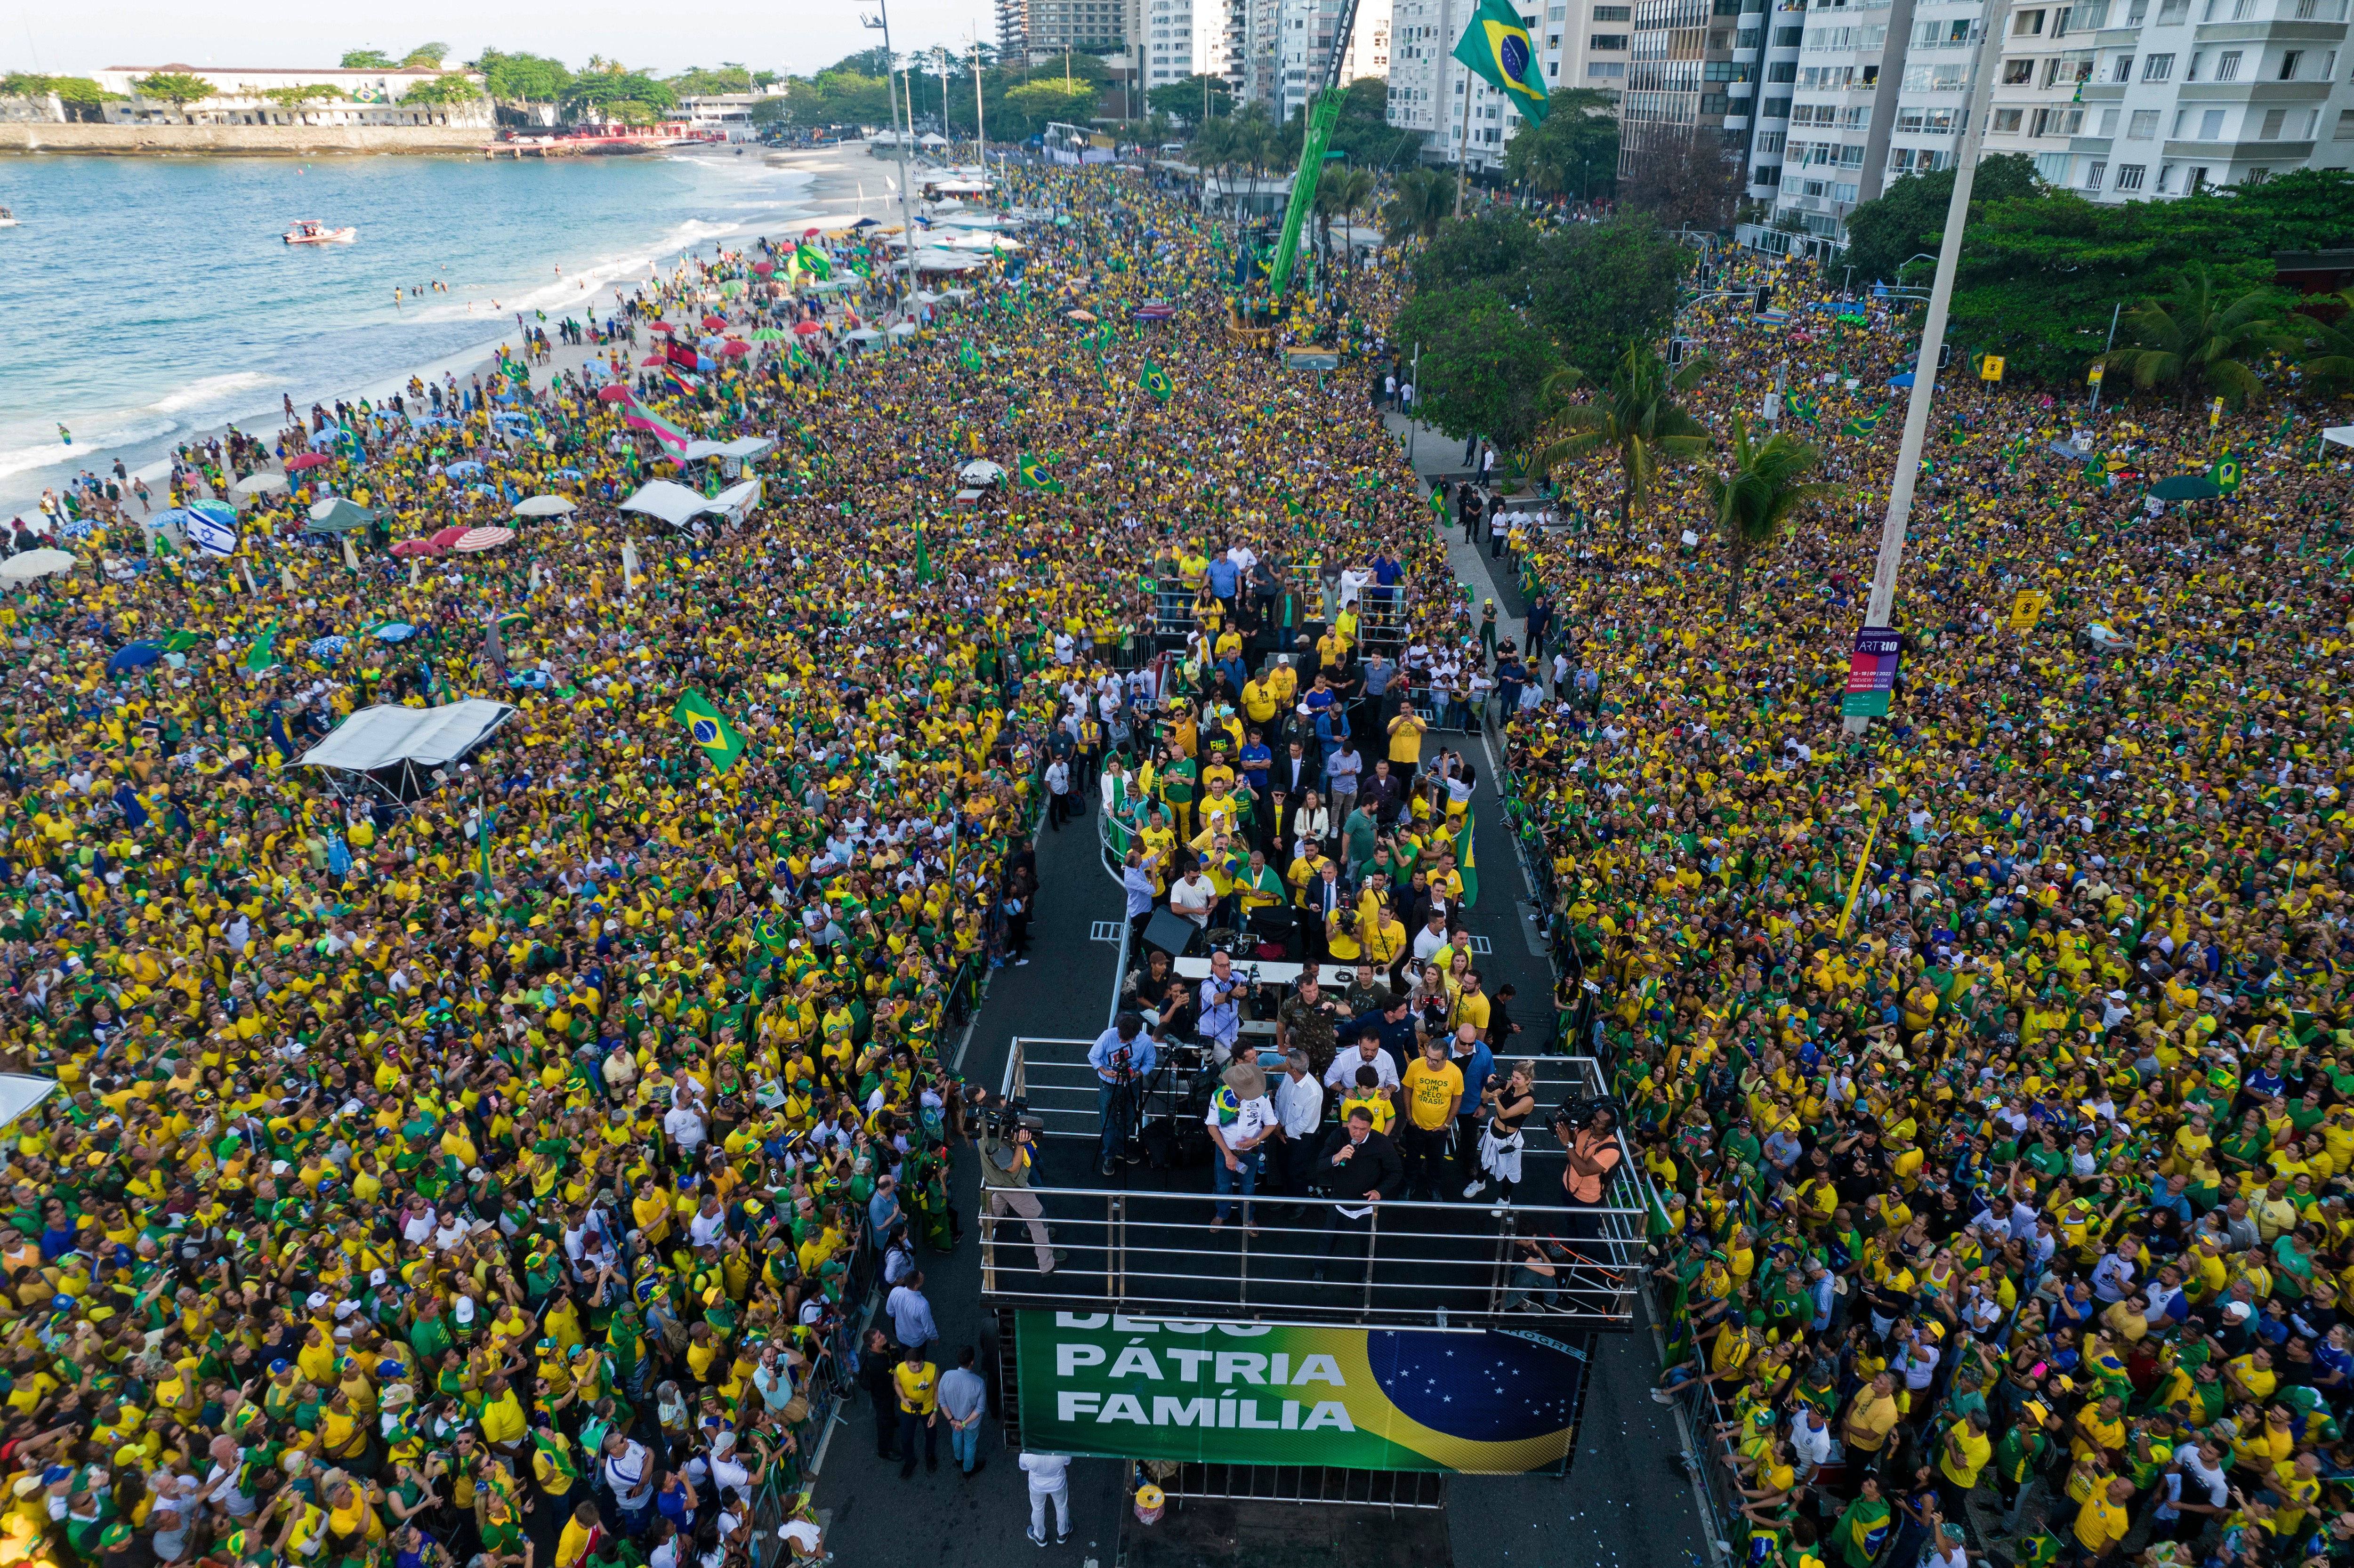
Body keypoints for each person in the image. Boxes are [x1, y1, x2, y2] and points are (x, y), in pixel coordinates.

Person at [1313, 1106, 1403, 1287]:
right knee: (1328, 1238)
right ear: (1348, 1124)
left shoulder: (1381, 1143)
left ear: (1370, 1127)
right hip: (1340, 1200)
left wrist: (1379, 1191)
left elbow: (1396, 1171)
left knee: (1368, 1243)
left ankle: (1365, 1276)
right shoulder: (1339, 1136)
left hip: (1367, 1205)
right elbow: (1319, 1166)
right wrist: (1336, 1157)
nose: (1358, 1133)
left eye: (1363, 1129)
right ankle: (1319, 1271)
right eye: (1354, 1128)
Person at [1206, 1061, 1279, 1234]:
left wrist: (1256, 1141)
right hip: (1225, 1152)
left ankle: (1248, 1216)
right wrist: (1227, 1154)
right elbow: (1212, 1126)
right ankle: (1222, 1213)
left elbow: (1271, 1124)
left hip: (1251, 1153)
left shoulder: (1263, 1098)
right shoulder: (1219, 1095)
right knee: (1223, 1185)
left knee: (1249, 1187)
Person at [1088, 1013, 1158, 1177]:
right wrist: (1105, 1071)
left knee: (1129, 1118)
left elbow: (1150, 1063)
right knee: (1108, 1121)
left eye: (1125, 1041)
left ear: (1135, 1037)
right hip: (1108, 1085)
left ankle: (1122, 1149)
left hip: (1131, 1084)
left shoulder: (1146, 1041)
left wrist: (1136, 1074)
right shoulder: (1107, 1036)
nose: (1120, 1042)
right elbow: (1093, 1056)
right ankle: (1109, 1156)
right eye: (1120, 1037)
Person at [1397, 1034, 1464, 1202]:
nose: (1429, 1063)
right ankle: (1409, 1185)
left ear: (1445, 1059)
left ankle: (1434, 1188)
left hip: (1439, 1129)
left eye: (1435, 1060)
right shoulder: (1416, 1066)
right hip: (1416, 1126)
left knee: (1436, 1161)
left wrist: (1447, 1124)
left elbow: (1457, 1099)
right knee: (1412, 1158)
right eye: (1428, 1057)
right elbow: (1407, 1089)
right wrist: (1409, 1117)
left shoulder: (1455, 1073)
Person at [939, 1347, 988, 1480]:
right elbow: (979, 1409)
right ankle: (968, 1470)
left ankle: (958, 1459)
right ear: (972, 1362)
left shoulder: (947, 1376)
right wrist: (964, 1423)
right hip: (970, 1424)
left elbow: (942, 1401)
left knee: (956, 1434)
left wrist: (951, 1420)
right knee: (970, 1443)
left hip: (954, 1419)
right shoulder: (979, 1383)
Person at [894, 1345, 941, 1479]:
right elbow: (897, 1384)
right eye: (914, 1366)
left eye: (920, 1365)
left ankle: (930, 1455)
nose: (918, 1369)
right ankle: (910, 1460)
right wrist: (903, 1399)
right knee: (906, 1438)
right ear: (906, 1363)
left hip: (928, 1409)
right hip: (908, 1410)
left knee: (931, 1434)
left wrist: (935, 1411)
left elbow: (937, 1390)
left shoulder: (933, 1370)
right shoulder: (900, 1370)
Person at [1018, 1449, 1072, 1548]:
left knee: (1038, 1510)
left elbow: (1023, 1467)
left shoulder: (1027, 1453)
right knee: (1061, 1507)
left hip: (1037, 1486)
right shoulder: (1061, 1447)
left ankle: (1040, 1536)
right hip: (1058, 1484)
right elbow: (1068, 1462)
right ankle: (1063, 1533)